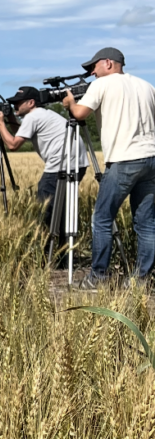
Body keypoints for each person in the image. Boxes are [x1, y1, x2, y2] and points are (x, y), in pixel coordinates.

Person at [63, 47, 155, 287]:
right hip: (151, 158)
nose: (92, 73)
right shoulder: (147, 86)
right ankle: (142, 279)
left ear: (108, 63)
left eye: (93, 67)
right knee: (146, 223)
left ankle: (98, 277)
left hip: (124, 159)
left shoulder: (102, 84)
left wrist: (71, 102)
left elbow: (80, 113)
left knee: (102, 218)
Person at [0, 86, 89, 255]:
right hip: (78, 164)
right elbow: (21, 134)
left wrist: (0, 125)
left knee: (46, 211)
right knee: (62, 209)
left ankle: (47, 254)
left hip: (59, 166)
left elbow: (13, 145)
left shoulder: (33, 116)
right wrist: (11, 118)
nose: (15, 106)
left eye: (18, 103)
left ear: (31, 102)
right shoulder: (44, 114)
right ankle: (63, 253)